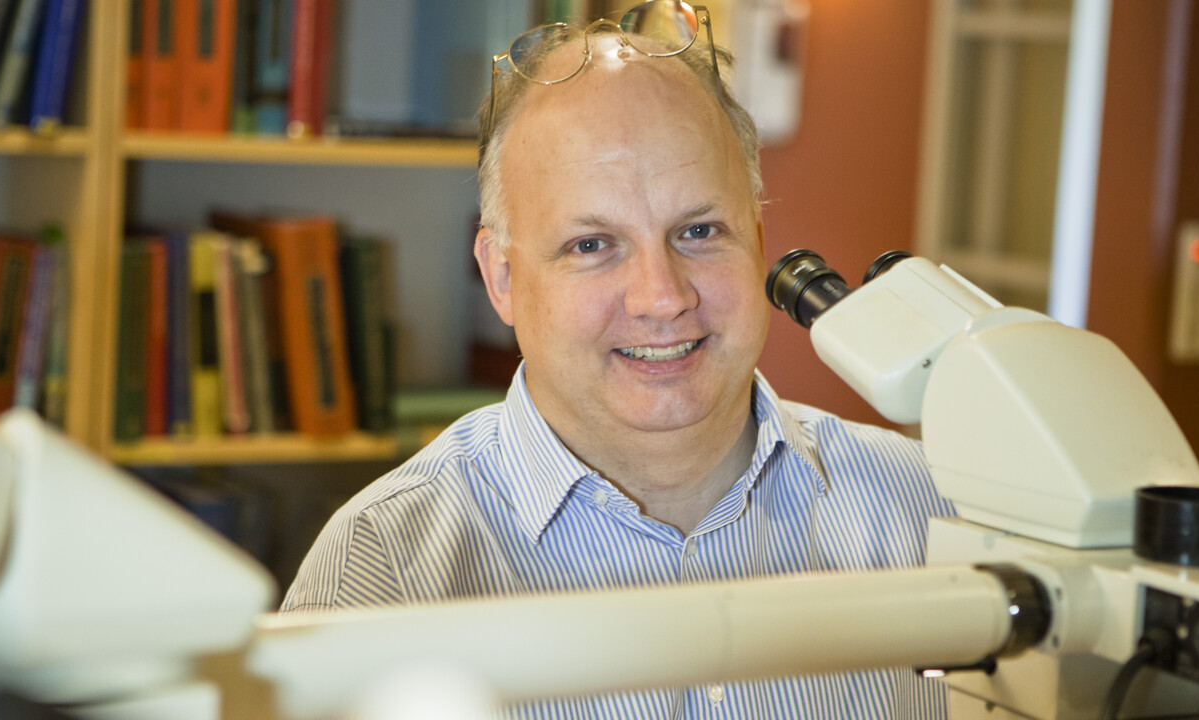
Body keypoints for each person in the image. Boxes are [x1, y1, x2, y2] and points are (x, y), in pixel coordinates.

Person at [283, 4, 954, 717]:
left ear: (757, 241)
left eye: (700, 231)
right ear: (502, 277)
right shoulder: (384, 567)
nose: (662, 297)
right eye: (592, 245)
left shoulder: (933, 512)